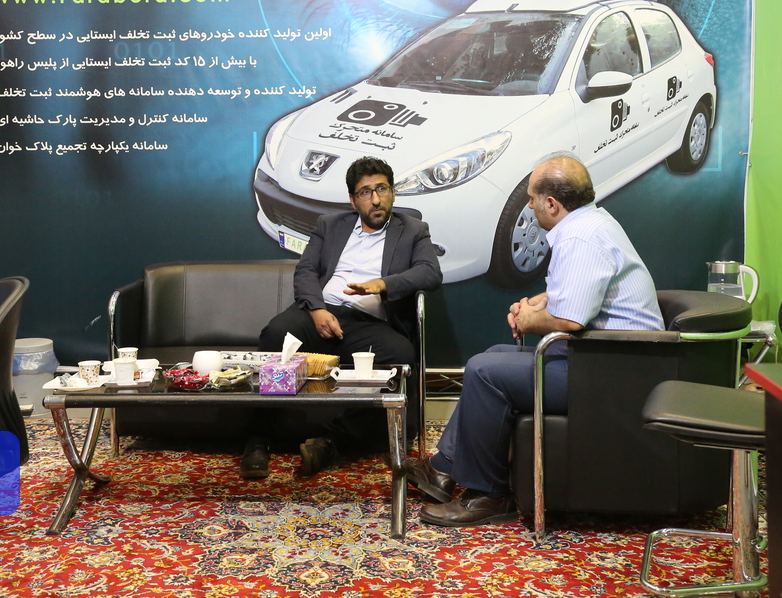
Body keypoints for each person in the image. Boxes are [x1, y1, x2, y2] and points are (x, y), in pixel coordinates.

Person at [405, 154, 662, 526]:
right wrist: (539, 303)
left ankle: (489, 496)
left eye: (531, 198)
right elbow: (579, 294)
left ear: (552, 204)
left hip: (611, 373)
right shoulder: (591, 222)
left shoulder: (579, 237)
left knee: (484, 371)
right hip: (606, 358)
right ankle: (445, 467)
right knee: (494, 355)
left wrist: (528, 318)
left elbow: (570, 319)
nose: (528, 206)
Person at [242, 156, 443, 479]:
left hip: (368, 323)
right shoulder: (329, 225)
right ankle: (258, 439)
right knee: (276, 334)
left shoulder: (413, 230)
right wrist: (317, 309)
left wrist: (383, 284)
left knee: (400, 355)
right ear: (353, 200)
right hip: (321, 312)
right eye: (365, 192)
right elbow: (306, 270)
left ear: (393, 192)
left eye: (382, 189)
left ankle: (330, 441)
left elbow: (430, 273)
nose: (375, 199)